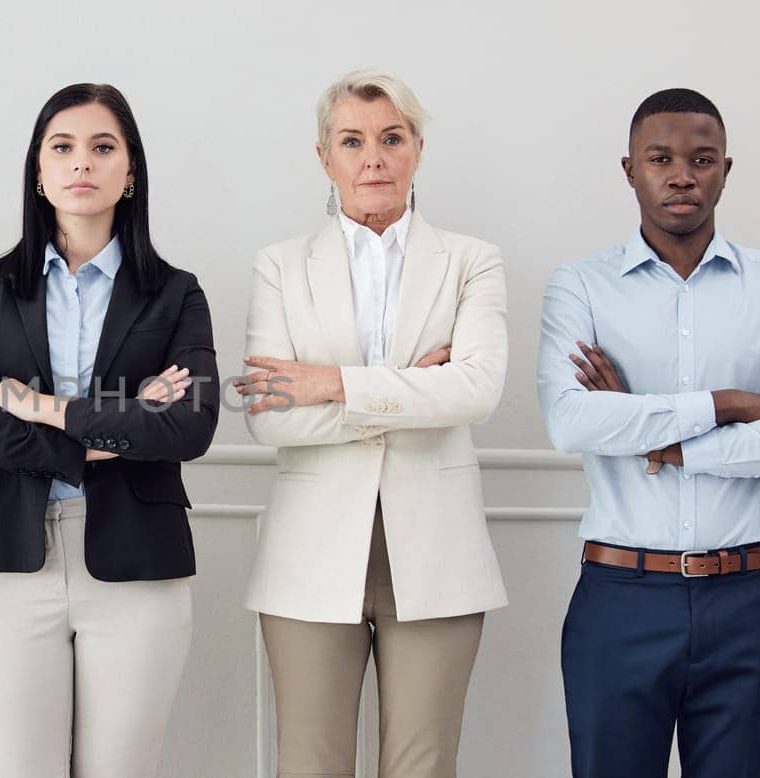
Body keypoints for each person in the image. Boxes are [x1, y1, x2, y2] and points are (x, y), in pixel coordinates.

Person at [538, 87, 760, 778]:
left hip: (749, 602)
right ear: (629, 169)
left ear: (725, 170)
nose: (682, 174)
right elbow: (571, 420)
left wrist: (661, 440)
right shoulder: (580, 286)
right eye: (661, 158)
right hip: (620, 600)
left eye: (701, 159)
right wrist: (730, 402)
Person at [0, 82, 219, 777]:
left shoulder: (176, 292)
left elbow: (190, 425)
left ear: (131, 172)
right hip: (12, 560)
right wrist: (113, 428)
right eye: (61, 147)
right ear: (39, 171)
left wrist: (45, 408)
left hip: (138, 569)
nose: (81, 163)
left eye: (102, 147)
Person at [236, 69, 509, 778]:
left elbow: (475, 390)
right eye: (352, 141)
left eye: (392, 138)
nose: (374, 158)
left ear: (417, 147)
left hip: (439, 552)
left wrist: (330, 385)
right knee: (311, 765)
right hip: (308, 555)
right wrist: (415, 390)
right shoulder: (281, 265)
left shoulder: (472, 261)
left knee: (422, 765)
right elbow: (268, 419)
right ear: (325, 157)